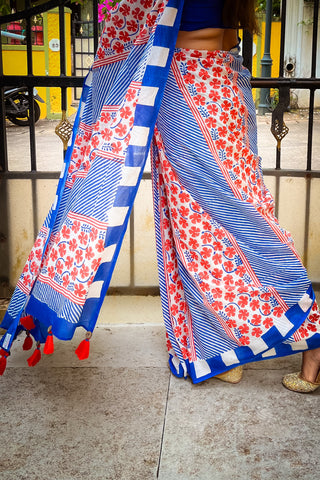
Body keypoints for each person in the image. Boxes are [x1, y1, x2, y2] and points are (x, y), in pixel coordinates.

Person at [1, 0, 320, 393]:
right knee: (235, 216)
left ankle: (309, 331)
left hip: (189, 89)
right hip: (227, 83)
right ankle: (223, 347)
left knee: (206, 222)